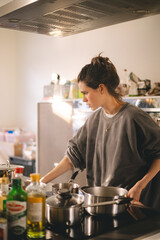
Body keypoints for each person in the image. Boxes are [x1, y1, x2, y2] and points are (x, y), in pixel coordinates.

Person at [41, 54, 160, 210]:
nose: (83, 99)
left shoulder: (134, 118)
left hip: (132, 206)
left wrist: (140, 185)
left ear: (101, 88)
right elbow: (72, 157)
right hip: (102, 205)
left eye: (85, 93)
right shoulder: (94, 120)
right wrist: (41, 182)